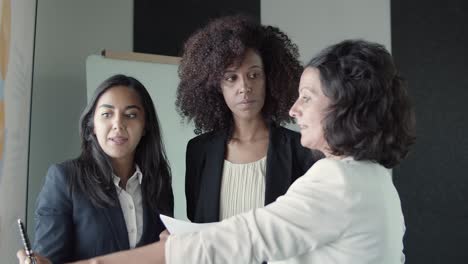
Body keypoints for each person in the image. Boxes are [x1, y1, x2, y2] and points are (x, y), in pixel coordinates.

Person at [19, 39, 416, 264]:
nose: (295, 110)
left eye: (307, 98)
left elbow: (246, 237)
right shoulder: (371, 175)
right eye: (230, 78)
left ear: (344, 105)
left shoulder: (337, 177)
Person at [176, 15, 319, 223]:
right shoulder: (199, 151)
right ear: (216, 87)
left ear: (269, 79)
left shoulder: (301, 150)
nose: (244, 87)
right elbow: (198, 222)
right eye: (231, 78)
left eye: (254, 75)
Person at [24, 74, 174, 263]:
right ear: (92, 125)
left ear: (145, 126)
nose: (118, 124)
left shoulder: (159, 182)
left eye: (131, 115)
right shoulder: (65, 179)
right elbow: (49, 259)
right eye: (106, 114)